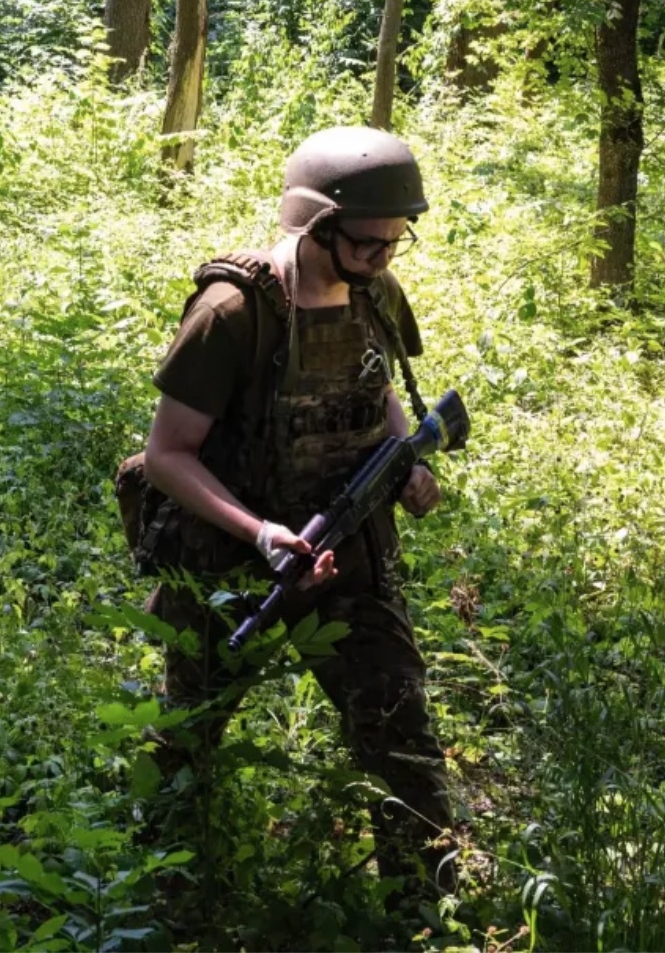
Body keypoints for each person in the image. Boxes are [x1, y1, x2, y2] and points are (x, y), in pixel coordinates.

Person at [134, 125, 455, 916]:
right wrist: (261, 534)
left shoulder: (377, 292)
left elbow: (378, 380)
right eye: (368, 243)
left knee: (401, 735)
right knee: (187, 739)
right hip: (232, 556)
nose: (383, 258)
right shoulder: (232, 312)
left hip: (348, 552)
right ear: (314, 226)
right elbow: (168, 455)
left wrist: (408, 461)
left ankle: (428, 913)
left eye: (395, 242)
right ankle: (157, 905)